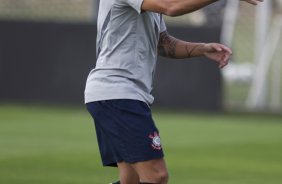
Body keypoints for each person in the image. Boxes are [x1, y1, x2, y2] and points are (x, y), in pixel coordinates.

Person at [85, 0, 263, 183]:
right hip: (116, 93)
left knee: (132, 179)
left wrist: (201, 49)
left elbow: (163, 43)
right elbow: (172, 7)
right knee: (156, 176)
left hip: (119, 95)